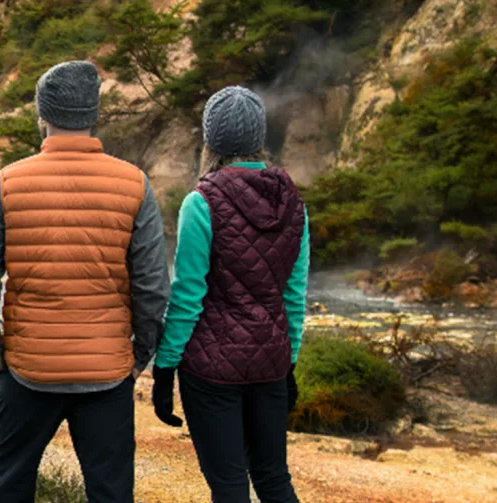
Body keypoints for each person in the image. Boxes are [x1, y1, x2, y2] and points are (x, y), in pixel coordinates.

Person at [0, 60, 170, 503]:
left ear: (43, 116)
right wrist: (139, 355)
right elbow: (153, 288)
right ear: (94, 115)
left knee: (9, 486)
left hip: (28, 370)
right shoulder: (134, 184)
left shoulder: (7, 183)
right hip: (107, 374)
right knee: (111, 493)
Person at [151, 85, 309, 503]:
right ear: (259, 138)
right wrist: (289, 360)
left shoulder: (201, 202)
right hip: (271, 363)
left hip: (210, 371)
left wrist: (165, 368)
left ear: (211, 140)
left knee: (229, 486)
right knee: (274, 479)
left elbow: (187, 297)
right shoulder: (294, 201)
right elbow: (294, 295)